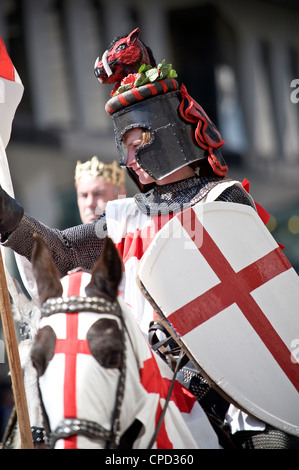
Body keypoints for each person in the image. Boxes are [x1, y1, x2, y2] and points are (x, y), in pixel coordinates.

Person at [0, 31, 297, 449]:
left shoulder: (221, 202)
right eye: (126, 148)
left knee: (273, 444)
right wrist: (9, 217)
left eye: (139, 144)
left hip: (221, 384)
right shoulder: (123, 217)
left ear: (170, 135)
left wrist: (186, 351)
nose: (132, 161)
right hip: (136, 371)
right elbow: (62, 253)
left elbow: (255, 303)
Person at [75, 157, 126, 224]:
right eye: (84, 195)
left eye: (98, 194)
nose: (90, 203)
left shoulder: (138, 232)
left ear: (120, 196)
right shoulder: (68, 234)